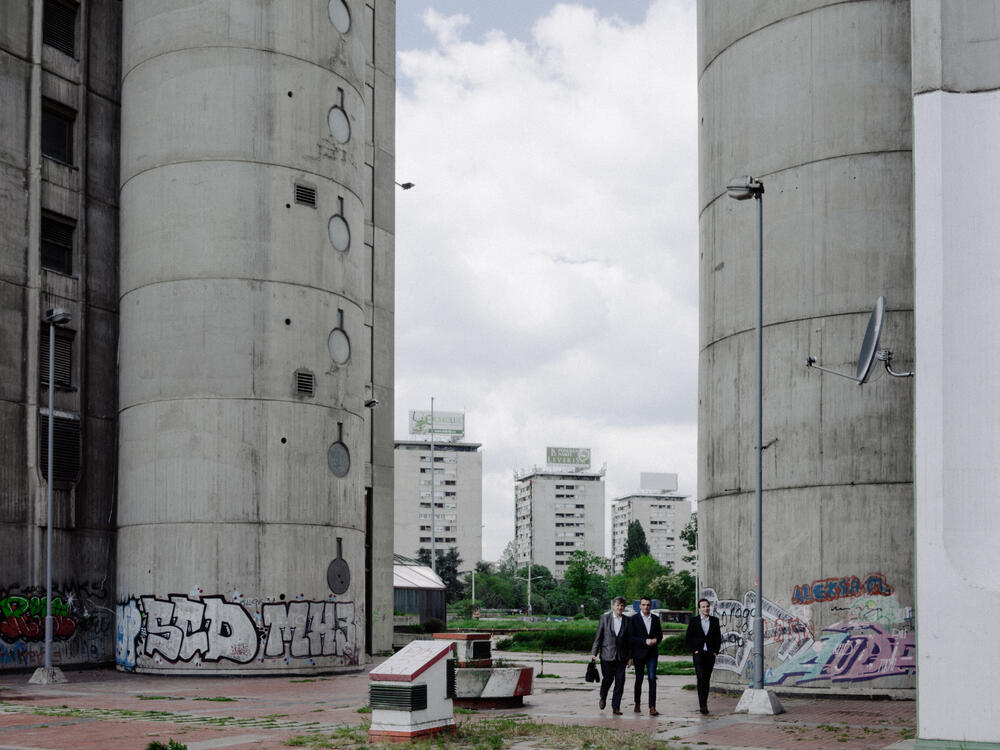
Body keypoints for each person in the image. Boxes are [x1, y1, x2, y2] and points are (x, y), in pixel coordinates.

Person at [589, 596, 630, 715]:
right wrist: (593, 653)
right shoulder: (604, 618)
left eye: (622, 605)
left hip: (621, 657)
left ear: (624, 607)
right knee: (607, 679)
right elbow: (598, 637)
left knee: (620, 682)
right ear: (613, 606)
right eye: (618, 605)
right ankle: (603, 696)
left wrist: (629, 657)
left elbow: (629, 641)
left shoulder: (627, 620)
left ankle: (616, 706)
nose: (620, 608)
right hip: (607, 655)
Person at [685, 597, 722, 715]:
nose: (706, 608)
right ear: (699, 609)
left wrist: (715, 651)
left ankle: (704, 702)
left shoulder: (715, 621)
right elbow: (688, 637)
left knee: (706, 679)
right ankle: (702, 705)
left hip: (710, 654)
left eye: (707, 606)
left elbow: (718, 638)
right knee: (701, 677)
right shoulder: (694, 621)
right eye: (703, 607)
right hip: (698, 654)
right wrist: (694, 650)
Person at [627, 596, 663, 716]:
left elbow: (660, 636)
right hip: (638, 654)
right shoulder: (633, 619)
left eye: (648, 605)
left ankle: (652, 707)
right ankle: (637, 703)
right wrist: (644, 641)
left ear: (651, 606)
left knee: (652, 679)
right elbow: (631, 638)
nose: (646, 607)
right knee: (639, 679)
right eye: (644, 605)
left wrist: (655, 640)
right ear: (640, 606)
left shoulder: (656, 619)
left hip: (652, 654)